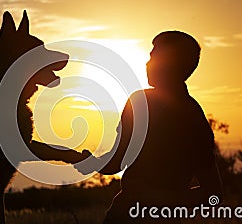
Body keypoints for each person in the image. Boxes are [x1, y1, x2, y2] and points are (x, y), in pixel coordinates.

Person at [75, 31, 223, 224]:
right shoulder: (195, 115)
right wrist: (88, 160)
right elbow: (215, 196)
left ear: (170, 63)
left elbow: (115, 163)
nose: (147, 63)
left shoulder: (140, 103)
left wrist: (154, 197)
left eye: (154, 56)